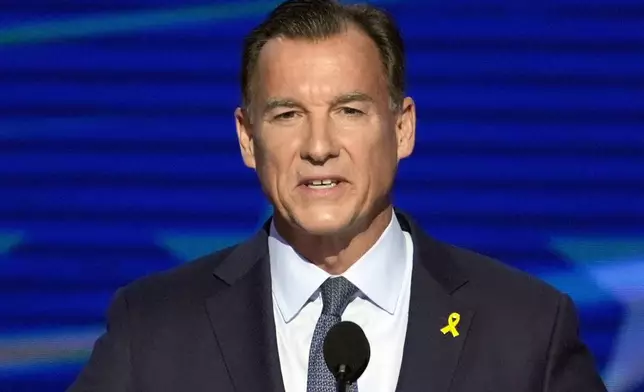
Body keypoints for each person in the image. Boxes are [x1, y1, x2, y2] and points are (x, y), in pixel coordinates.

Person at [68, 0, 607, 391]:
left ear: (402, 130)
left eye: (350, 111)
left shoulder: (526, 328)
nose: (319, 147)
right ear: (247, 138)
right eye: (287, 115)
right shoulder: (154, 327)